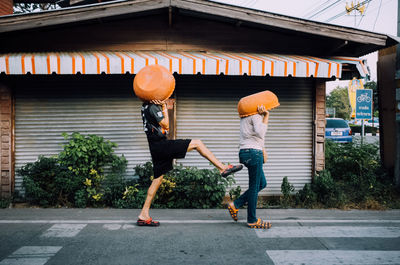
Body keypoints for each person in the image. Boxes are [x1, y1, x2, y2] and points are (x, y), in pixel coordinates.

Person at [137, 99, 243, 226]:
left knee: (157, 180)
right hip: (162, 146)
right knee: (197, 143)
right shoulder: (154, 107)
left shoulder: (144, 106)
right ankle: (222, 168)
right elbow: (166, 125)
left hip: (155, 147)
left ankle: (144, 214)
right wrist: (165, 107)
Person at [226, 105, 271, 229]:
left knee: (262, 183)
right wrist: (266, 115)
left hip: (244, 152)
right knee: (254, 186)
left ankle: (236, 204)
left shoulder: (244, 117)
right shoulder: (255, 115)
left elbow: (255, 136)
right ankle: (252, 220)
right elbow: (261, 133)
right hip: (254, 153)